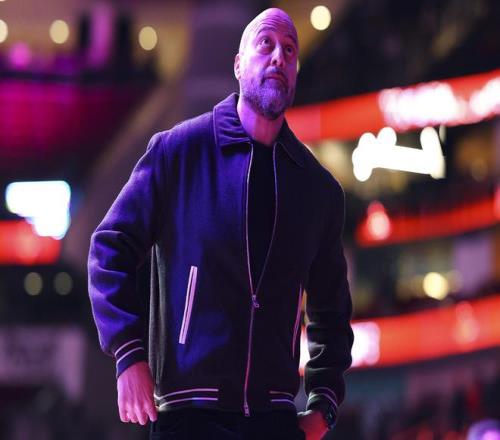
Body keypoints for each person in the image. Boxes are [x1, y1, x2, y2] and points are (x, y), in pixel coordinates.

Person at [88, 7, 354, 440]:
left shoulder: (317, 189)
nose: (278, 56)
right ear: (237, 64)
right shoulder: (178, 152)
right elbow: (109, 249)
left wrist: (323, 405)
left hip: (273, 420)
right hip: (188, 415)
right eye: (265, 44)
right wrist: (128, 353)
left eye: (290, 50)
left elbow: (332, 312)